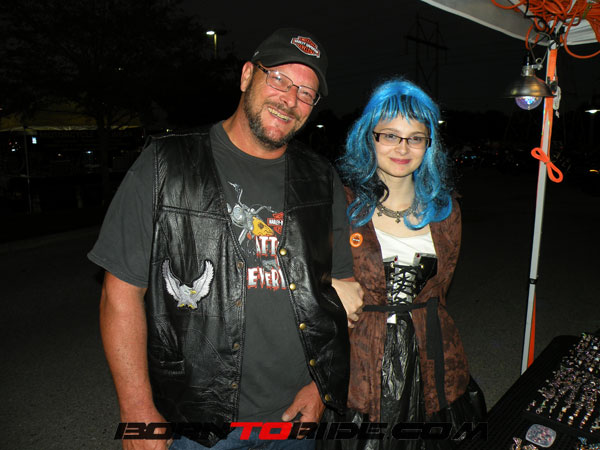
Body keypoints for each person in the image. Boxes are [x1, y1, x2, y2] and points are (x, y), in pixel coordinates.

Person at [88, 28, 363, 450]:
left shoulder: (321, 179)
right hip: (197, 424)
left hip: (293, 421)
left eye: (306, 93)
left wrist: (320, 388)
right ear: (247, 75)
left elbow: (341, 295)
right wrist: (137, 409)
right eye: (279, 79)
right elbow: (119, 294)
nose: (289, 99)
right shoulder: (166, 166)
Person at [325, 78, 485, 450]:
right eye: (390, 135)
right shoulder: (341, 206)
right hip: (361, 360)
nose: (402, 148)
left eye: (415, 138)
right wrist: (330, 284)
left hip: (432, 354)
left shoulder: (446, 211)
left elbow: (440, 290)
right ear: (369, 137)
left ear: (428, 145)